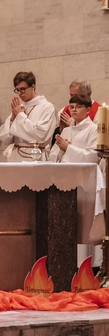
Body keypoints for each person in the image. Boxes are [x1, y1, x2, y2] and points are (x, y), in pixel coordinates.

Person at [47, 94, 102, 269]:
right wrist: (62, 149)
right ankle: (66, 262)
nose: (73, 110)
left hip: (85, 184)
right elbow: (53, 156)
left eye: (78, 107)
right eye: (71, 107)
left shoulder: (93, 130)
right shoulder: (67, 130)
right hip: (66, 182)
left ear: (87, 110)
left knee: (84, 225)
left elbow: (93, 157)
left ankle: (89, 266)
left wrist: (68, 148)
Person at [0, 71, 57, 162]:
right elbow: (5, 139)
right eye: (17, 90)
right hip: (16, 156)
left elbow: (40, 135)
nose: (20, 93)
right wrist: (13, 118)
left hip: (35, 157)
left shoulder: (47, 107)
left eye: (23, 89)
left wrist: (20, 115)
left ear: (33, 86)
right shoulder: (19, 108)